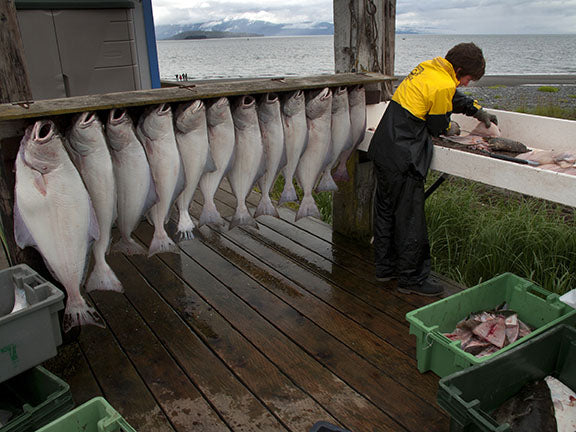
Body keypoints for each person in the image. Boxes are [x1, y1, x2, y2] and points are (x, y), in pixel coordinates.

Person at [367, 42, 498, 297]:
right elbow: (438, 125)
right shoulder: (443, 83)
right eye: (468, 79)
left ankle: (385, 268)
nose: (466, 85)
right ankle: (412, 279)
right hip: (404, 155)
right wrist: (450, 128)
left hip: (384, 148)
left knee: (385, 211)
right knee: (410, 219)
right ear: (458, 69)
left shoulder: (428, 68)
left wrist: (476, 110)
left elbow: (448, 95)